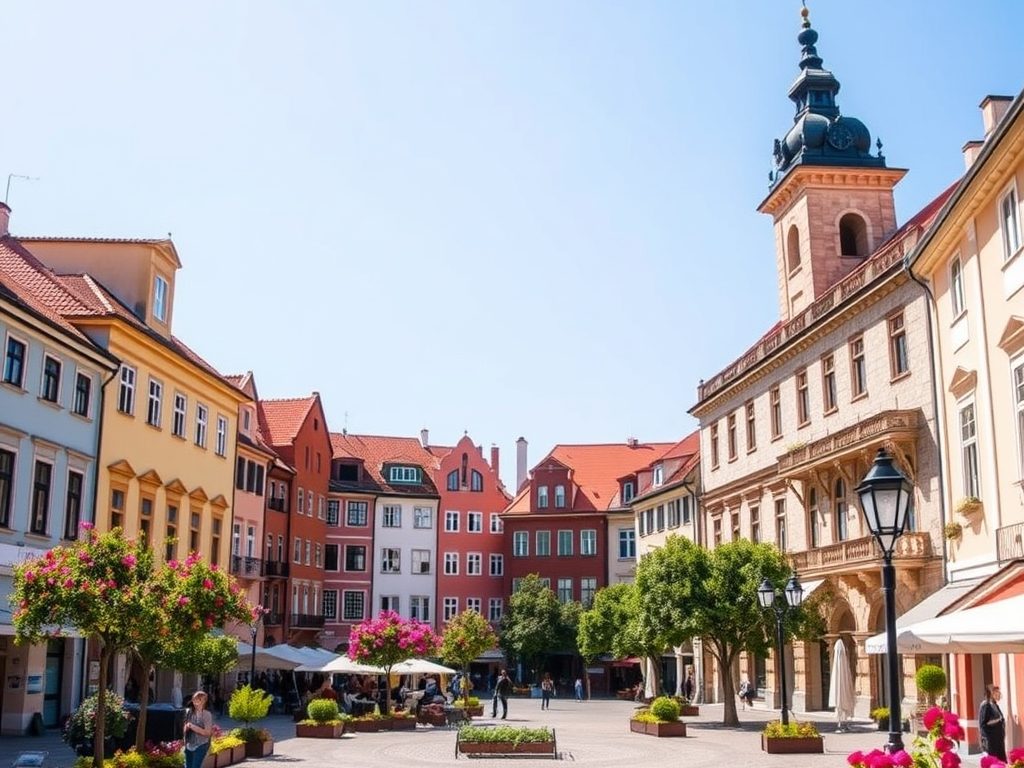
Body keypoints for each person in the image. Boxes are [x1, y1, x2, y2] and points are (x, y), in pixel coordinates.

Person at [183, 691, 214, 768]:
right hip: (189, 744)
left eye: (199, 699)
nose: (196, 701)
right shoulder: (188, 712)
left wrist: (192, 726)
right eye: (194, 699)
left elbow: (207, 733)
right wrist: (186, 728)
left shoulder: (207, 714)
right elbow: (183, 730)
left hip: (201, 745)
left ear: (204, 701)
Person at [979, 683, 1007, 761]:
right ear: (991, 693)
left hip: (998, 740)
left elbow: (1000, 719)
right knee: (993, 761)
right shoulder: (986, 705)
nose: (999, 694)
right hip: (991, 741)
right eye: (996, 692)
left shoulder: (994, 704)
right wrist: (997, 720)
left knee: (1000, 761)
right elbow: (983, 724)